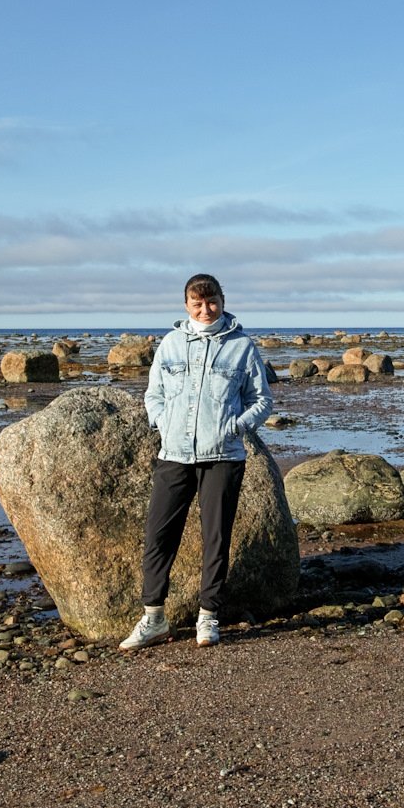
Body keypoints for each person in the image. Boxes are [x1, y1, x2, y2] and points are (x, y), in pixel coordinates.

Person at [120, 273, 273, 650]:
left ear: (222, 299)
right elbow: (153, 394)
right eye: (197, 303)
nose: (206, 310)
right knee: (159, 535)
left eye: (212, 301)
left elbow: (262, 400)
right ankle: (153, 617)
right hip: (173, 454)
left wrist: (234, 428)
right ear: (186, 305)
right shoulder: (170, 344)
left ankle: (209, 617)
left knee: (215, 539)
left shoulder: (241, 347)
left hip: (222, 456)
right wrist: (162, 422)